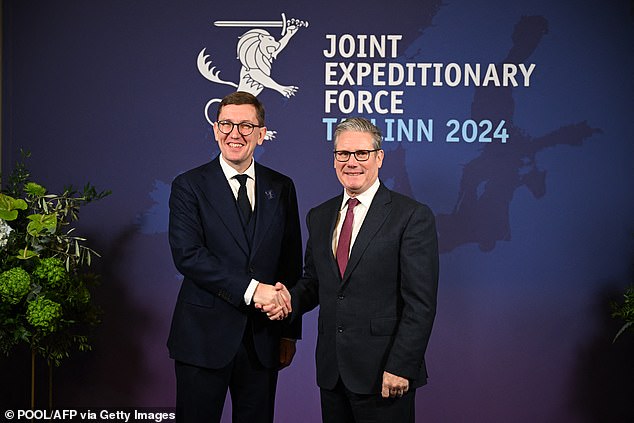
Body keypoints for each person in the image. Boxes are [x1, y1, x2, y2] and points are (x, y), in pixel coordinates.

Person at [266, 117, 439, 423]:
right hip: (333, 374)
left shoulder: (411, 216)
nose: (352, 162)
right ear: (334, 159)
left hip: (386, 374)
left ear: (379, 157)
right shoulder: (319, 216)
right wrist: (288, 300)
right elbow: (314, 282)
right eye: (343, 154)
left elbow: (420, 304)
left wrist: (402, 366)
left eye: (362, 154)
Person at [167, 91, 301, 423]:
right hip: (202, 339)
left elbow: (290, 261)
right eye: (226, 124)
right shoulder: (189, 185)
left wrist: (288, 332)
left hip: (263, 341)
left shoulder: (281, 186)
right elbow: (189, 256)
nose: (234, 134)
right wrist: (254, 290)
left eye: (245, 125)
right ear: (215, 129)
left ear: (261, 132)